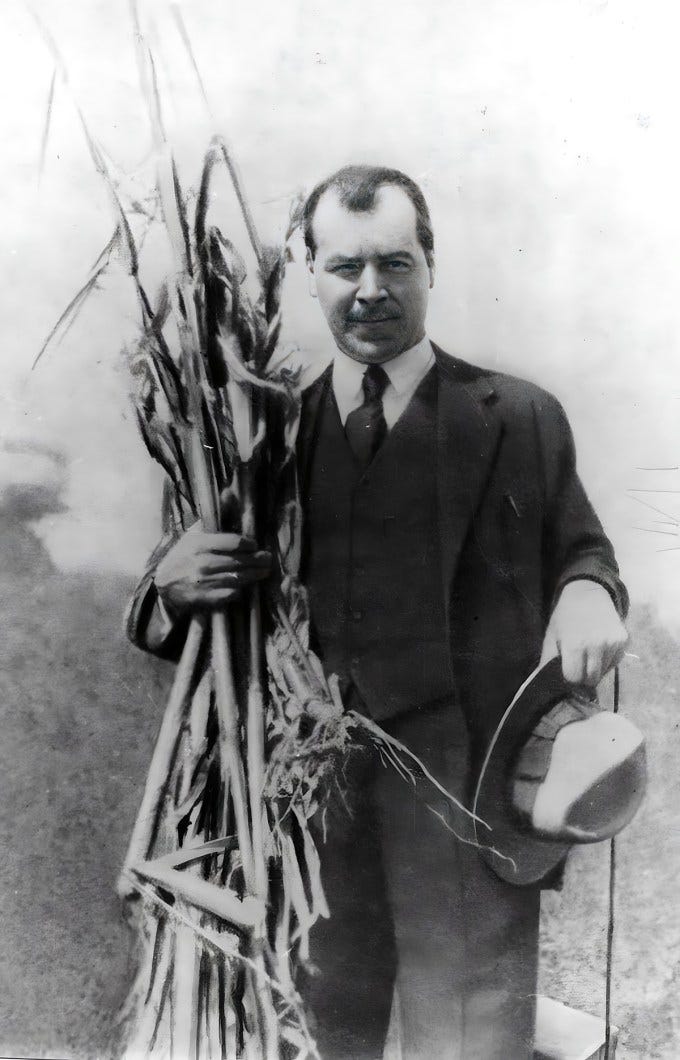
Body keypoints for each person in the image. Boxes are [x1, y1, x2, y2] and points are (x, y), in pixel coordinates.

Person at [126, 165, 629, 1059]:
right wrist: (172, 585)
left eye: (395, 263)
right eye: (345, 266)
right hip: (300, 809)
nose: (370, 290)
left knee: (471, 1040)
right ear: (310, 273)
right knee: (318, 1036)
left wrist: (588, 590)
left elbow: (583, 552)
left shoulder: (518, 417)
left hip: (465, 789)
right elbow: (173, 607)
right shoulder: (260, 438)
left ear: (431, 265)